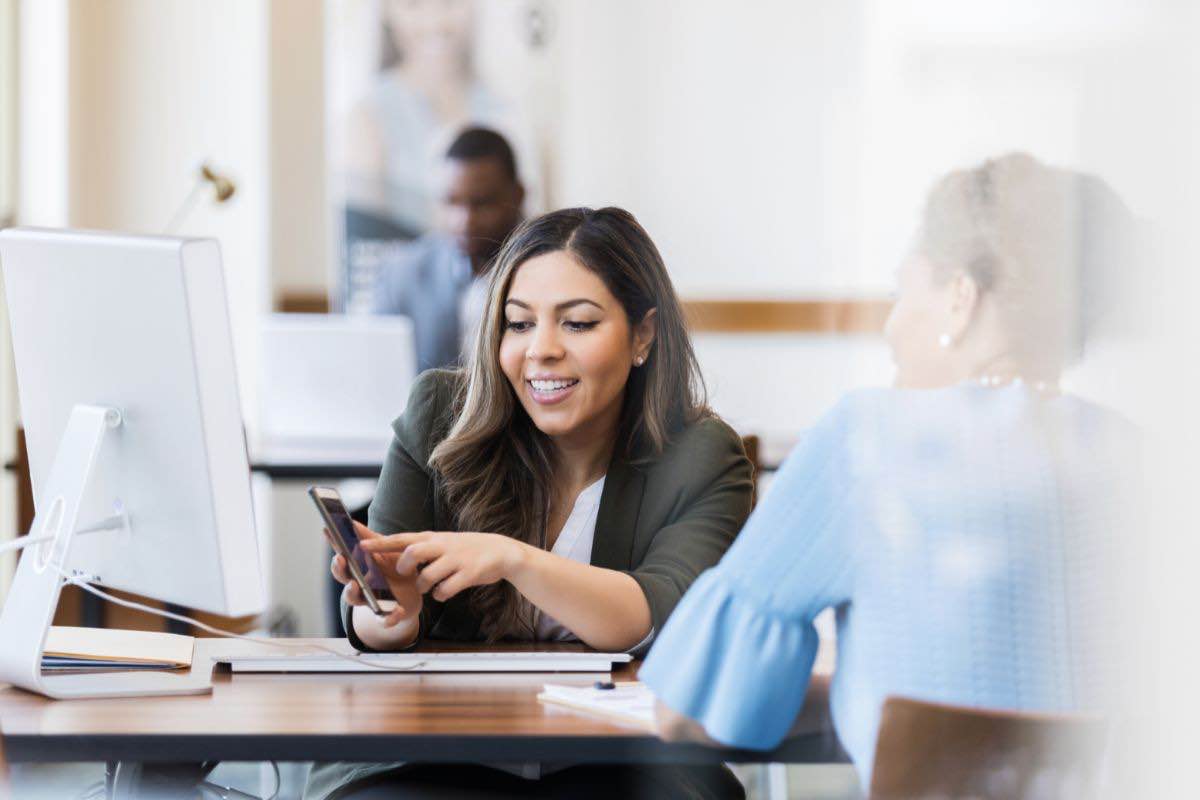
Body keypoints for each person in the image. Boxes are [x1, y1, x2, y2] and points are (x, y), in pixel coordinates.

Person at [641, 153, 1141, 790]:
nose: (890, 324)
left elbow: (689, 712)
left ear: (960, 297)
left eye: (904, 292)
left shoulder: (869, 439)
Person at [307, 207, 755, 800]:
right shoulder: (438, 416)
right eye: (519, 325)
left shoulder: (699, 454)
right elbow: (370, 626)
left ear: (642, 334)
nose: (541, 350)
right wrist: (393, 610)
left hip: (618, 762)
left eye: (577, 324)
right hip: (434, 756)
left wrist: (512, 559)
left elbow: (653, 610)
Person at [372, 126, 526, 371]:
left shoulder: (547, 267)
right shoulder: (402, 274)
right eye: (452, 202)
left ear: (518, 196)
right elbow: (375, 368)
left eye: (481, 203)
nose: (464, 221)